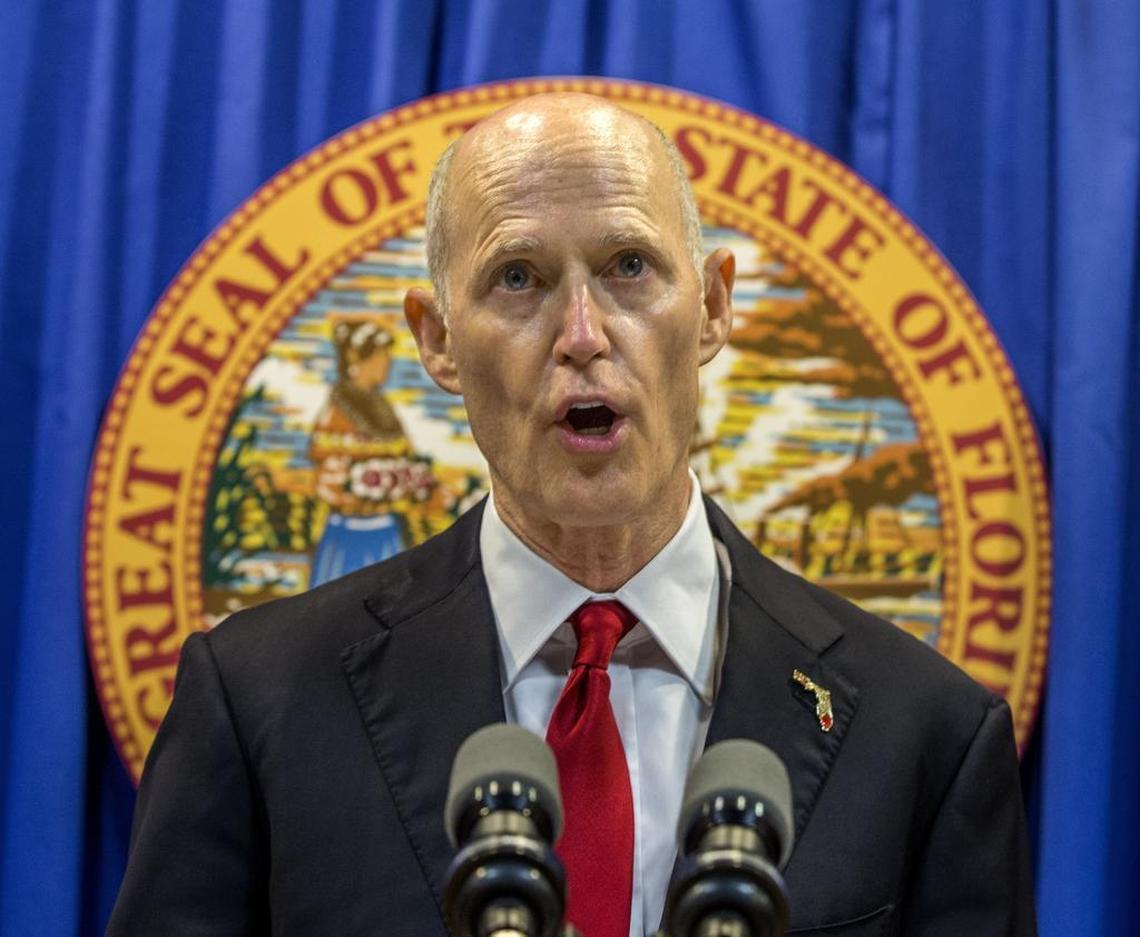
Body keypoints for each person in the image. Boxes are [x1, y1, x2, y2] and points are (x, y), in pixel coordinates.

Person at [108, 93, 1036, 936]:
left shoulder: (929, 734)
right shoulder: (258, 701)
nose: (583, 335)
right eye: (518, 277)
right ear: (435, 339)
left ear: (712, 305)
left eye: (630, 266)